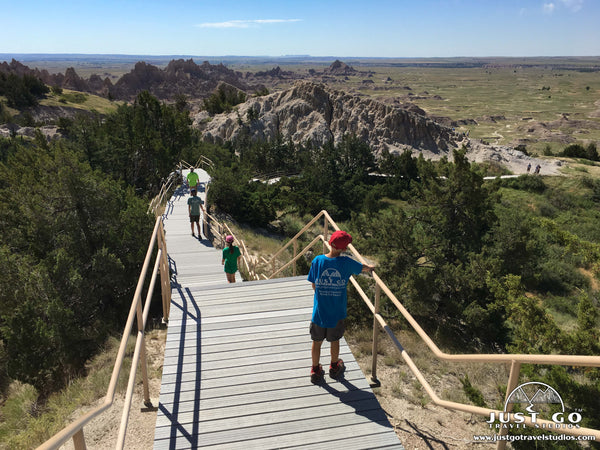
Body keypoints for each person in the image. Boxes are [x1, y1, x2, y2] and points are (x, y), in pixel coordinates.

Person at [307, 230, 374, 384]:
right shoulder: (346, 262)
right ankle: (334, 366)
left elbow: (313, 283)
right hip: (336, 312)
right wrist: (370, 267)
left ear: (330, 243)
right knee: (335, 340)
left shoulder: (317, 261)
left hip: (319, 312)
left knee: (316, 342)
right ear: (344, 249)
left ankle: (315, 369)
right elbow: (362, 267)